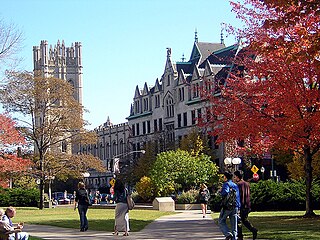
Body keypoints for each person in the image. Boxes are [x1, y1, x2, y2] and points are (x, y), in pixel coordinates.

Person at [234, 170, 258, 240]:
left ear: (237, 176)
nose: (234, 178)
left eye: (235, 176)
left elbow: (237, 195)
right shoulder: (247, 184)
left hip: (241, 205)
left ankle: (240, 236)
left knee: (239, 221)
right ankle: (253, 230)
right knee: (244, 220)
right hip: (247, 205)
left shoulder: (238, 184)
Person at [218, 171, 240, 240]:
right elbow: (238, 196)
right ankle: (234, 237)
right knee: (234, 224)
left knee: (221, 221)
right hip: (235, 206)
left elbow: (226, 192)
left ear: (226, 177)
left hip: (228, 206)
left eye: (223, 176)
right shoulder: (235, 185)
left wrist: (221, 191)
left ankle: (228, 234)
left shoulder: (226, 184)